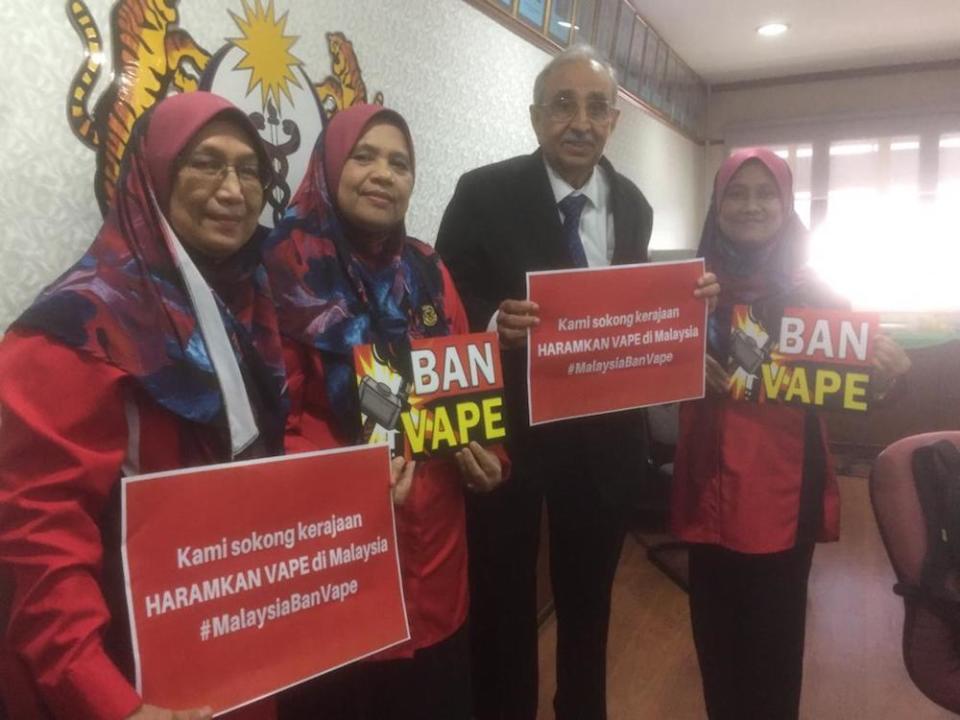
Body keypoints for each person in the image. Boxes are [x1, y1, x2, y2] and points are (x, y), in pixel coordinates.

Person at [435, 45, 718, 720]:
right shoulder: (484, 192)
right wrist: (487, 320)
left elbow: (633, 306)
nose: (580, 122)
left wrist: (689, 300)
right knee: (502, 604)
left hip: (604, 445)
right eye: (563, 104)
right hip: (506, 441)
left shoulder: (636, 205)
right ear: (536, 118)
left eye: (596, 108)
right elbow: (438, 292)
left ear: (614, 122)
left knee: (589, 605)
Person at [0, 91, 285, 720]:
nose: (233, 190)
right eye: (205, 163)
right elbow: (40, 549)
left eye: (248, 170)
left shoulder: (248, 308)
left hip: (229, 638)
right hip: (125, 676)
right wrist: (114, 705)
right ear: (152, 175)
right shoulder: (73, 332)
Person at [264, 103, 507, 720]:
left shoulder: (428, 270)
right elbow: (267, 428)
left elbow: (467, 390)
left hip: (437, 562)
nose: (384, 174)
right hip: (339, 565)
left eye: (400, 162)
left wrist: (492, 459)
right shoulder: (279, 273)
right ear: (328, 164)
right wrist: (348, 479)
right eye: (364, 156)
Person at [671, 147, 912, 720]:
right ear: (716, 203)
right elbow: (635, 371)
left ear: (786, 206)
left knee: (776, 652)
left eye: (766, 194)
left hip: (784, 496)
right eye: (736, 192)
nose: (751, 205)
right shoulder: (685, 290)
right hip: (707, 491)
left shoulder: (819, 297)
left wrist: (888, 378)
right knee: (716, 646)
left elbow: (858, 395)